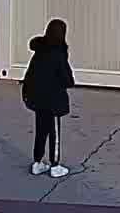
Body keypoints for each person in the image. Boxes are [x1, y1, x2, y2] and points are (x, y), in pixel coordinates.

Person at [22, 18, 75, 177]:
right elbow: (67, 79)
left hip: (38, 100)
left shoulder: (40, 51)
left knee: (40, 131)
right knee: (54, 134)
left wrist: (27, 95)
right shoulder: (58, 53)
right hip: (53, 101)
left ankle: (37, 162)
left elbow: (30, 75)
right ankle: (55, 164)